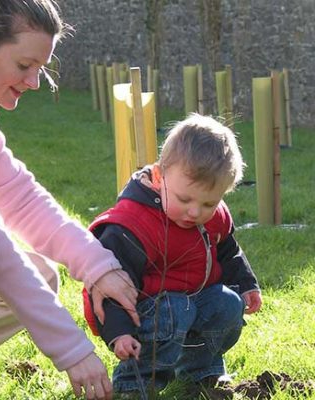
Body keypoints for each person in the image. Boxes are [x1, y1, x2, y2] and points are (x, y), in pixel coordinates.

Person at [0, 1, 140, 399]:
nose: (35, 82)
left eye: (41, 67)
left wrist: (97, 267)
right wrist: (72, 350)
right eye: (24, 66)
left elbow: (21, 199)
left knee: (40, 274)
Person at [83, 114, 262, 394]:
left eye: (208, 202)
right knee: (174, 309)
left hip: (192, 300)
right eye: (184, 199)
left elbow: (228, 249)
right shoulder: (131, 227)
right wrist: (119, 332)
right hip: (143, 314)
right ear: (158, 176)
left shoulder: (213, 216)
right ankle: (135, 382)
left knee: (227, 305)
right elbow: (109, 285)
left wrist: (246, 285)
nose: (195, 212)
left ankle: (201, 370)